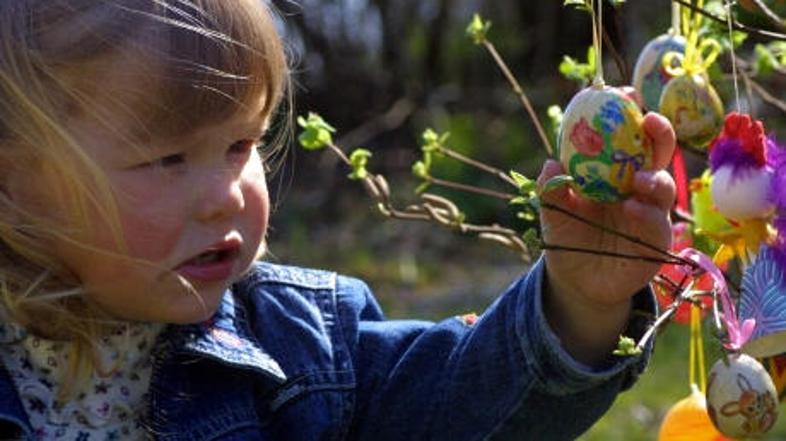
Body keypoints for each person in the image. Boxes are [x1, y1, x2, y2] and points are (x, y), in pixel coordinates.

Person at [0, 1, 676, 440]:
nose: (226, 196)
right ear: (15, 182)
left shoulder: (305, 347)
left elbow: (471, 406)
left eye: (241, 145)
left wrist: (581, 300)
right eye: (168, 158)